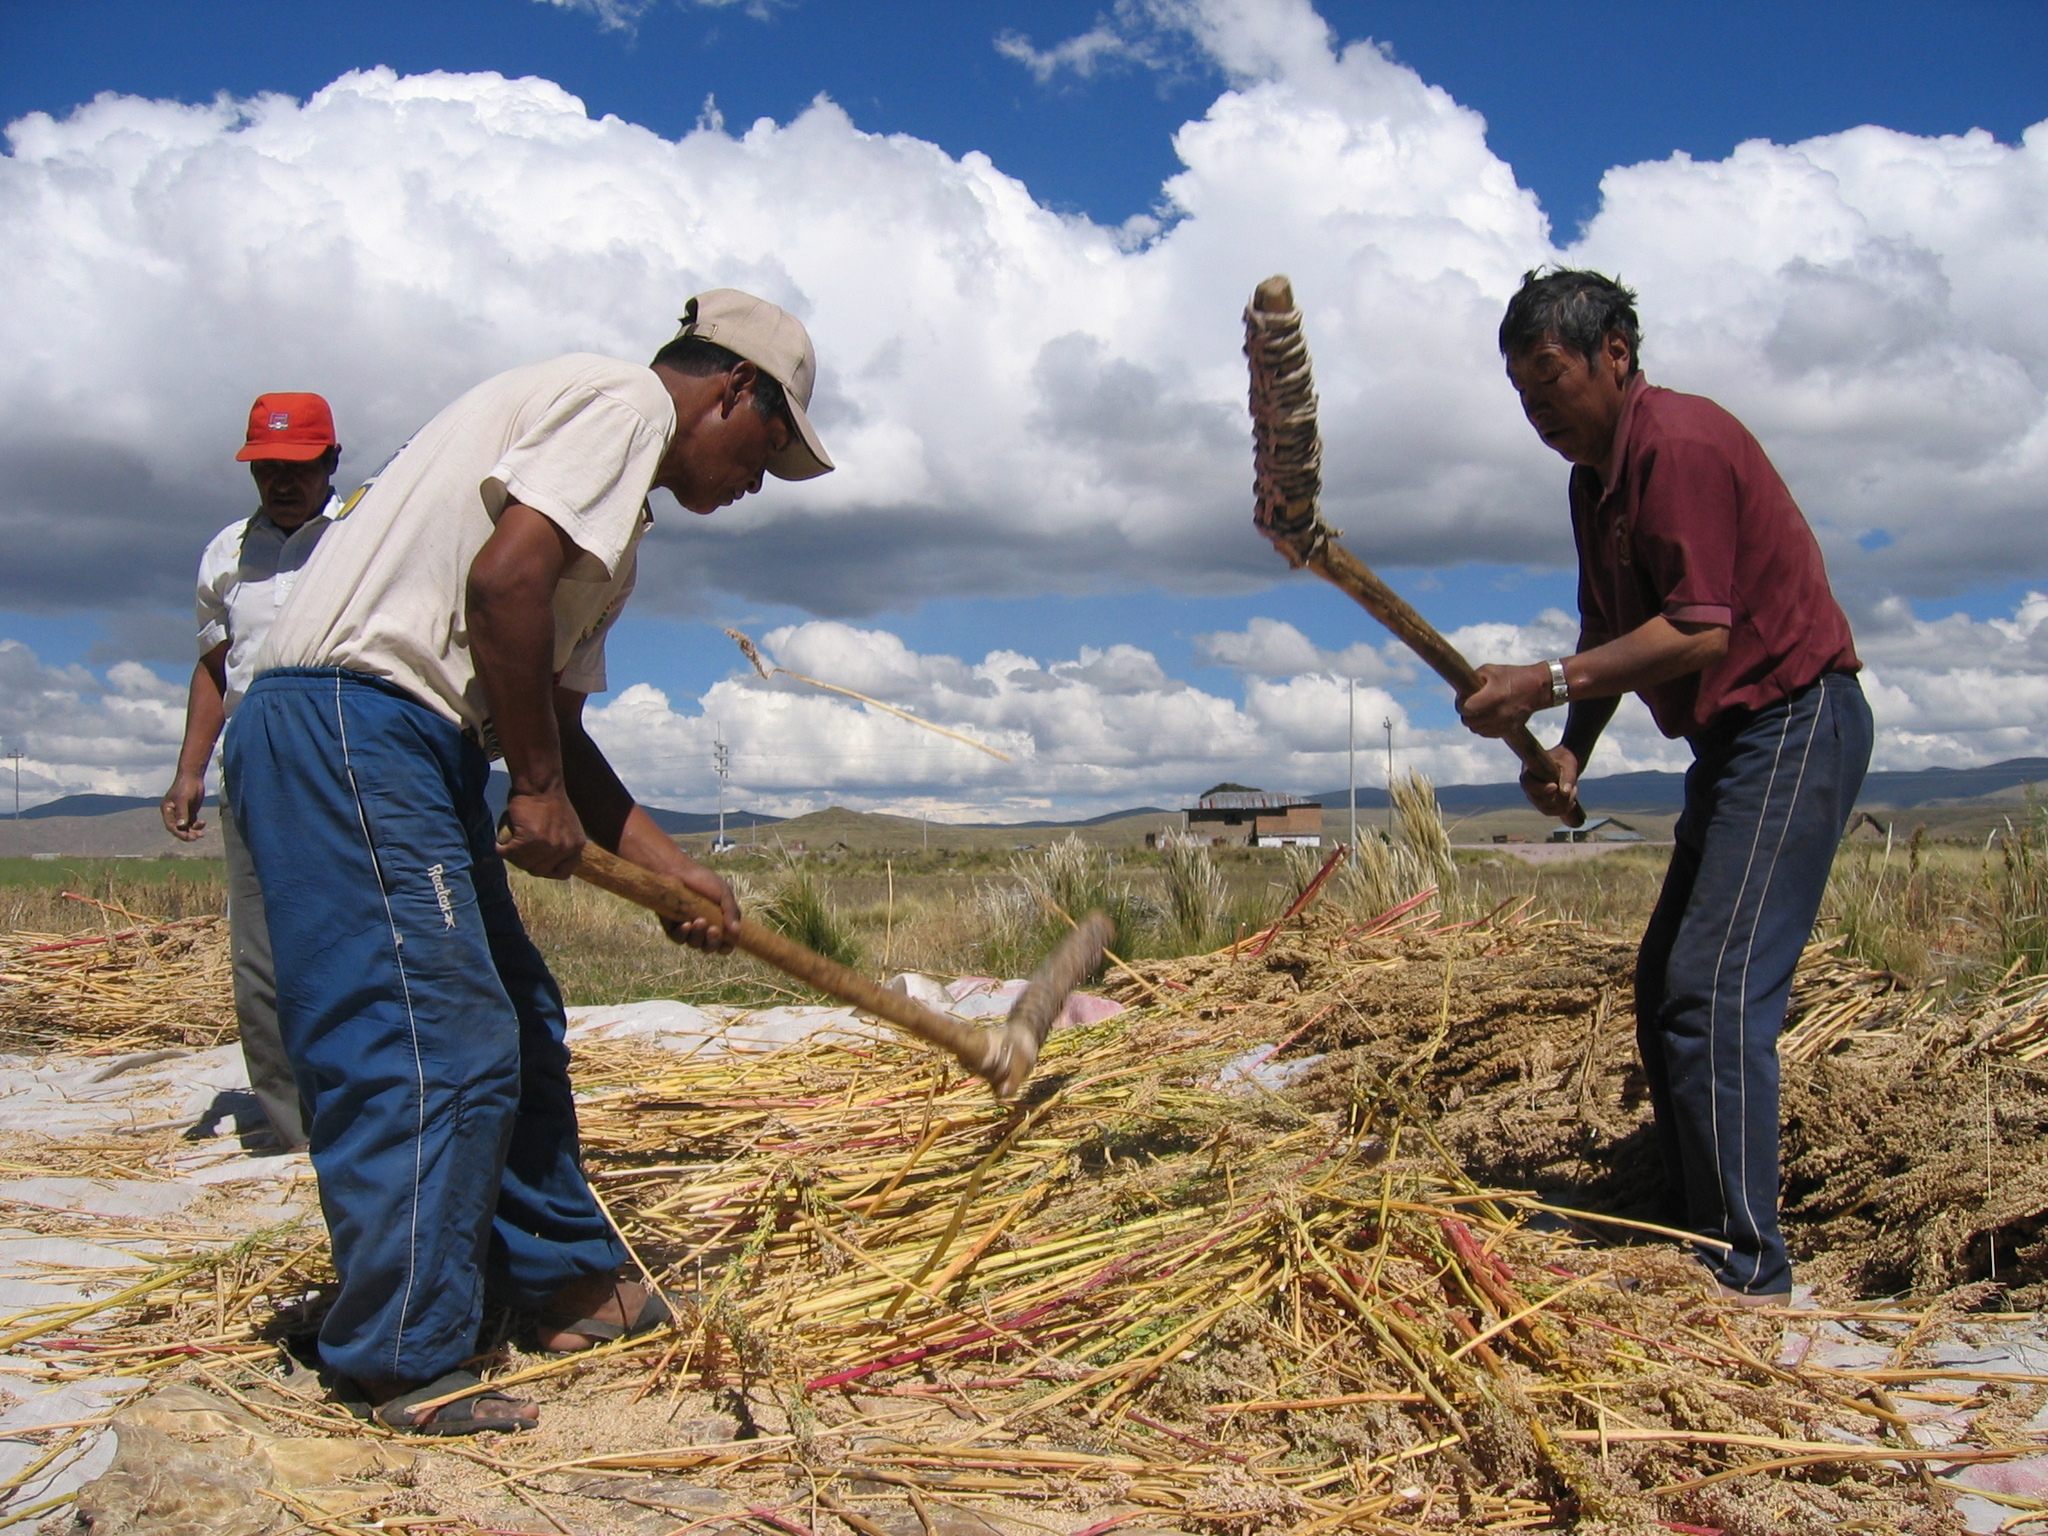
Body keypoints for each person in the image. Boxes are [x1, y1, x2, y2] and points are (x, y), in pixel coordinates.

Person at [225, 290, 834, 1432]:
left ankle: (560, 1280)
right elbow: (500, 584)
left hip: (418, 739)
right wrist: (537, 791)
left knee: (517, 1011)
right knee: (429, 1031)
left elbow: (557, 719)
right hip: (355, 721)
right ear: (730, 390)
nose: (761, 479)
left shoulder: (616, 533)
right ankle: (399, 1354)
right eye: (770, 445)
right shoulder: (619, 405)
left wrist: (668, 869)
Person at [1458, 269, 1870, 1304]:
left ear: (1616, 353)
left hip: (1792, 718)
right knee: (1665, 990)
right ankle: (1694, 1222)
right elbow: (1610, 635)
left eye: (1548, 378)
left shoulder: (1675, 445)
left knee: (1713, 992)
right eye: (1519, 392)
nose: (1536, 409)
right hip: (1730, 747)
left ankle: (1743, 1271)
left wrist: (1540, 684)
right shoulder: (1589, 483)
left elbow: (1698, 629)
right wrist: (1567, 752)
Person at [162, 392, 343, 1151]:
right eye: (266, 466)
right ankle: (297, 1126)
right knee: (262, 956)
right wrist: (189, 769)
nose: (281, 480)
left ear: (331, 461)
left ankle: (370, 1104)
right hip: (255, 774)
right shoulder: (226, 553)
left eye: (298, 464)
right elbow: (214, 666)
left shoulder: (362, 535)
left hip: (343, 766)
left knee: (350, 938)